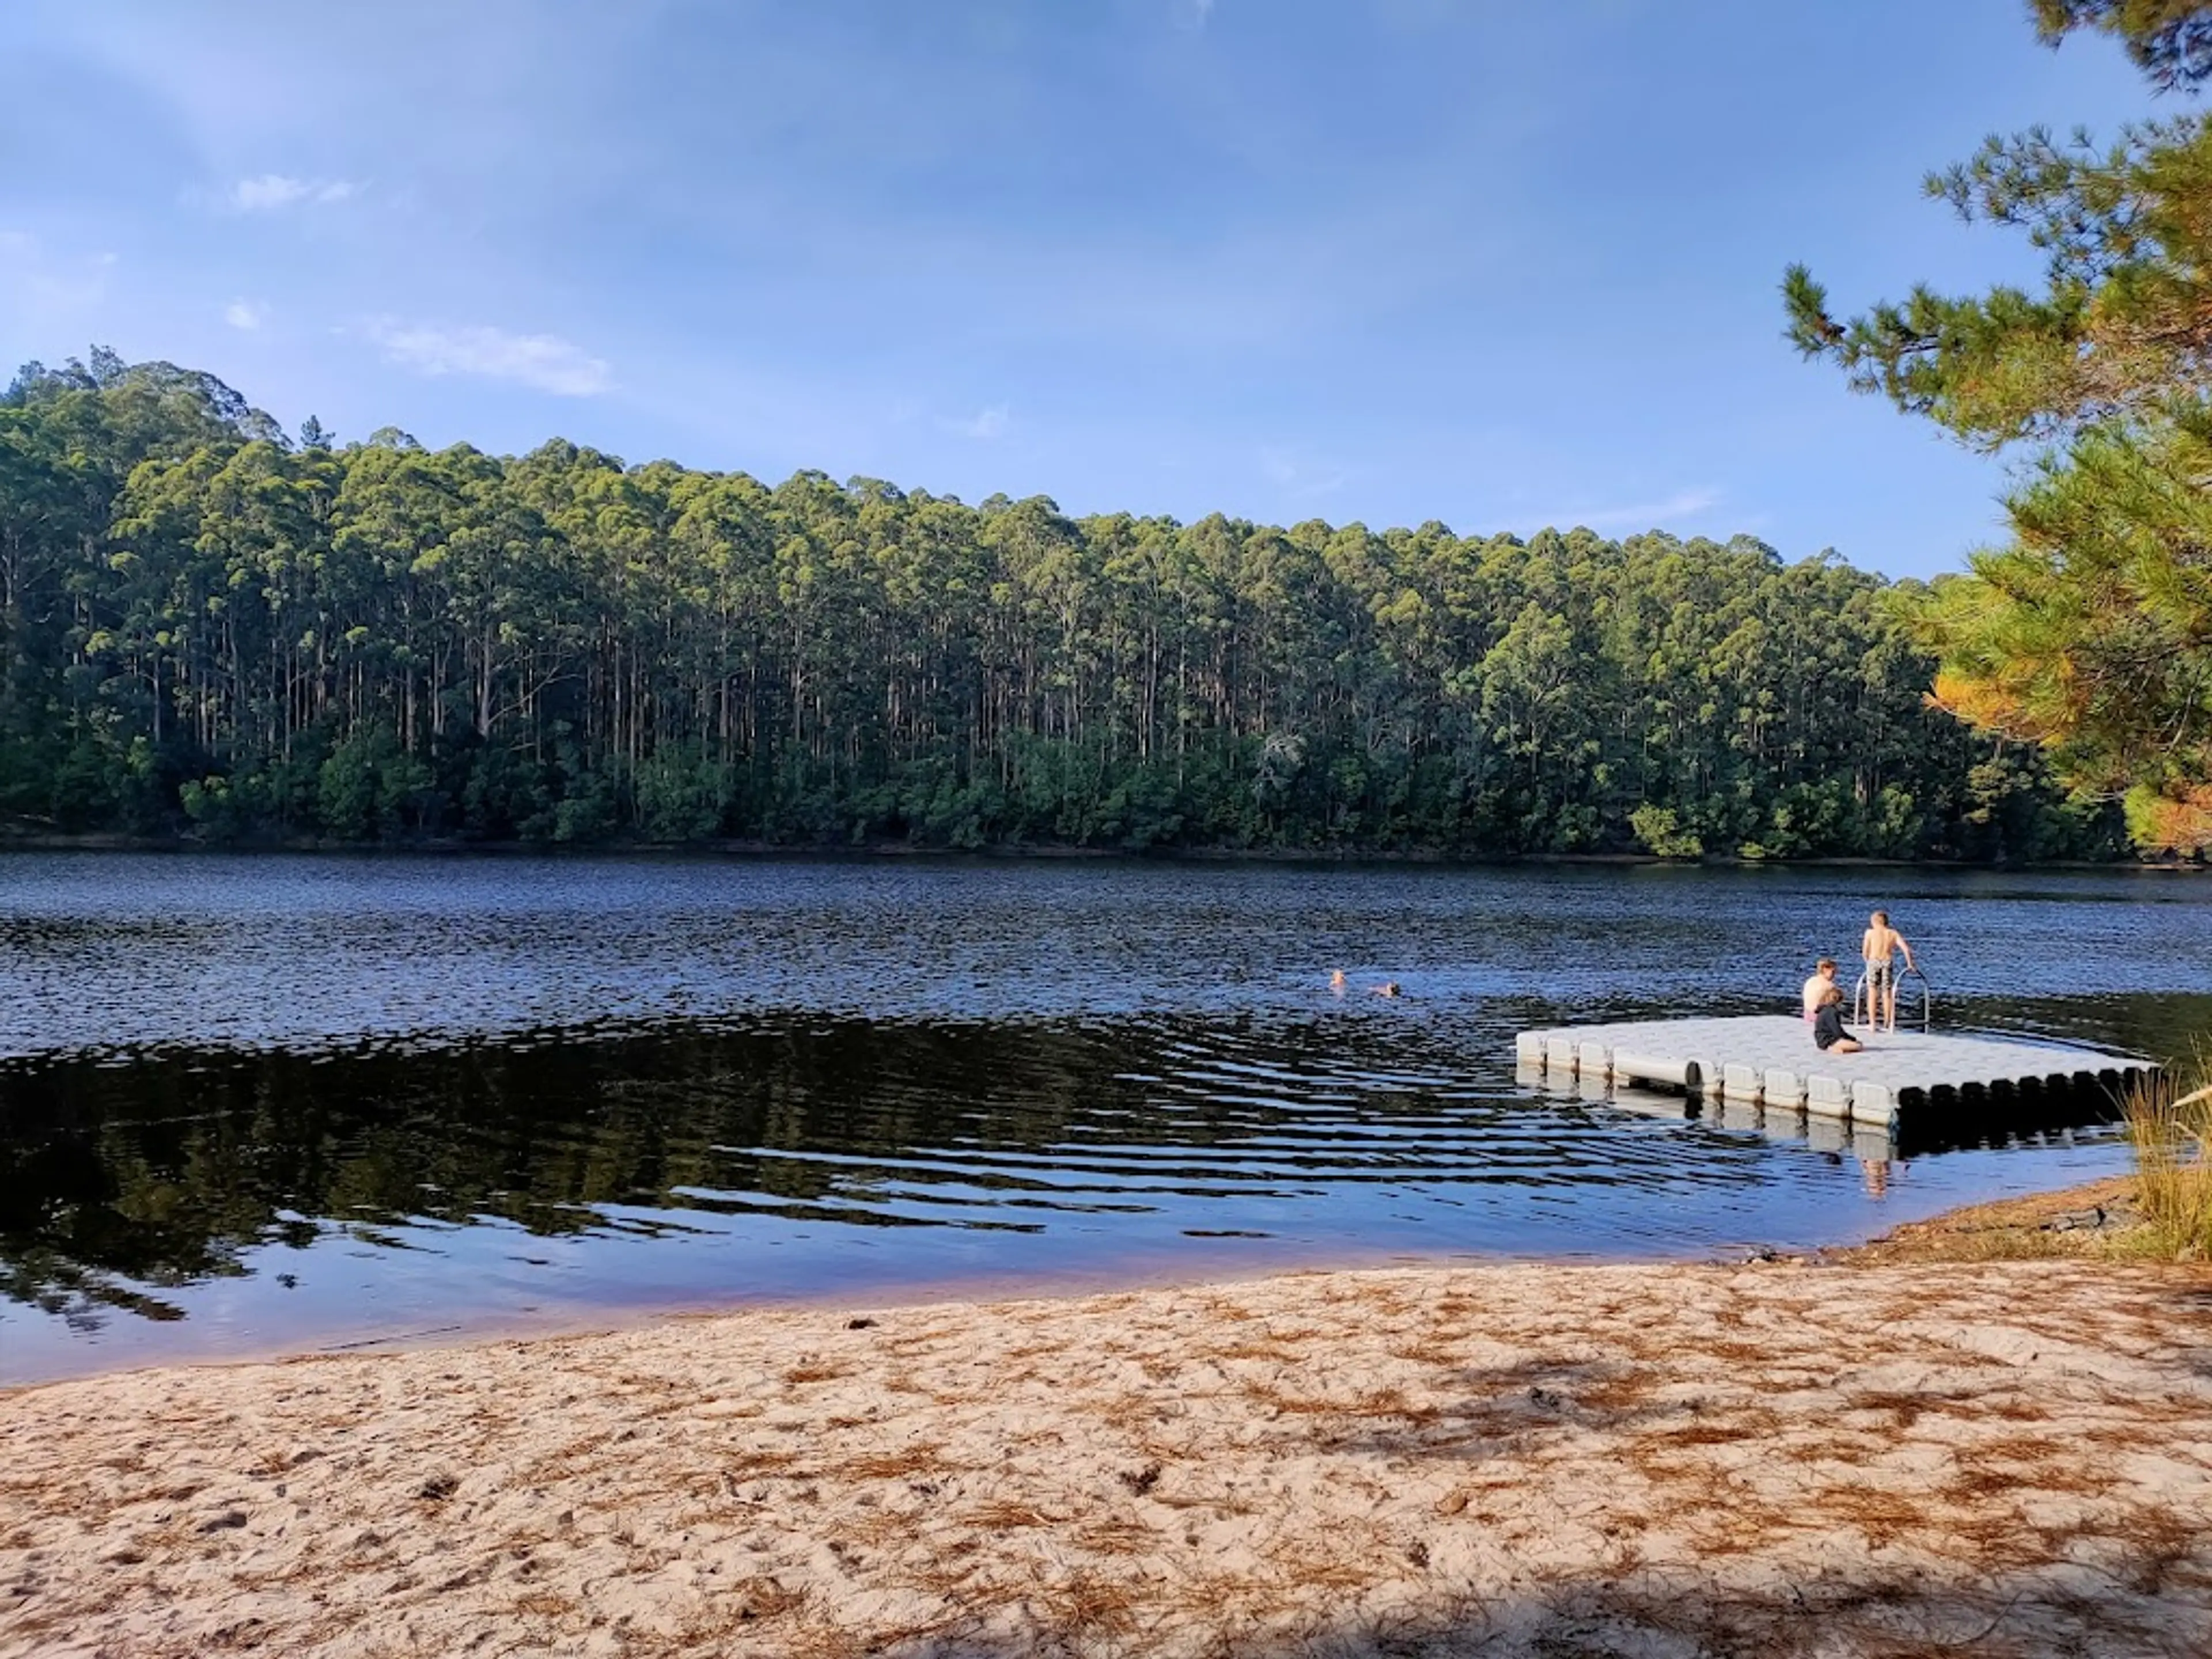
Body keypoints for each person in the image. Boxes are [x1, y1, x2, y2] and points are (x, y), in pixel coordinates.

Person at [1860, 910, 1917, 1032]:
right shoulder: (1893, 933)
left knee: (1872, 992)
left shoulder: (1870, 933)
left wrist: (1867, 961)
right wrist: (1910, 964)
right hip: (1887, 961)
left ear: (1875, 922)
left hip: (1873, 961)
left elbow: (1865, 952)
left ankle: (1873, 1023)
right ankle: (1888, 1022)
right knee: (1887, 992)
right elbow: (1906, 949)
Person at [1811, 984, 1861, 1054]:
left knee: (1854, 1044)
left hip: (1821, 1039)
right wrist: (1850, 1038)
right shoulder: (1832, 1012)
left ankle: (1836, 1047)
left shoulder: (1823, 1009)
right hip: (1829, 1040)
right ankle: (1831, 1047)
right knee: (1858, 1046)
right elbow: (1837, 1031)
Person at [1801, 957, 1838, 1024]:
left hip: (1808, 1015)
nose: (1835, 975)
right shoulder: (1829, 986)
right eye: (1833, 972)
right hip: (1820, 1018)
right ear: (1824, 969)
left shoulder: (1810, 981)